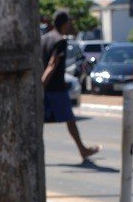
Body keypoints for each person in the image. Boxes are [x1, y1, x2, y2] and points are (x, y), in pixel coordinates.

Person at [41, 11, 100, 162]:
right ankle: (83, 150)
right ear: (64, 23)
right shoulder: (60, 40)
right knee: (70, 120)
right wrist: (42, 83)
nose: (70, 26)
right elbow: (52, 65)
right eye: (69, 23)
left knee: (39, 122)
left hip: (46, 87)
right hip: (55, 88)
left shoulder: (45, 38)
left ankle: (82, 149)